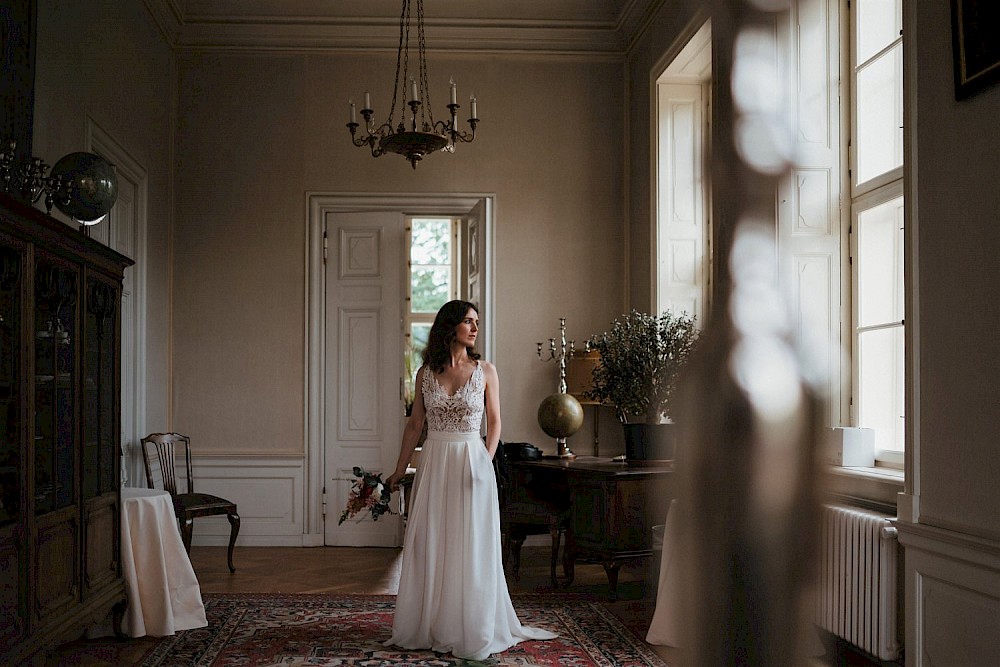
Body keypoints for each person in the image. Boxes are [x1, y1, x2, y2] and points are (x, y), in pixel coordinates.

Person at [383, 299, 556, 660]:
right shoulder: (425, 373)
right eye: (467, 321)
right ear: (451, 327)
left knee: (471, 543)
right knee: (433, 541)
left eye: (476, 321)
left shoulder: (486, 370)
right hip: (434, 462)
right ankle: (431, 623)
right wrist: (399, 470)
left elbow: (494, 423)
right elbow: (415, 424)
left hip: (472, 462)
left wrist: (485, 462)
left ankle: (471, 625)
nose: (475, 328)